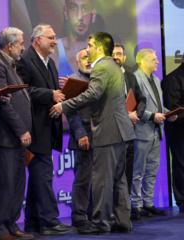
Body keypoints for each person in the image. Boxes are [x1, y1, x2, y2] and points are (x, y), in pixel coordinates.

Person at [51, 32, 136, 235]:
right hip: (120, 130)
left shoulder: (101, 66)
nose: (87, 48)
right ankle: (123, 222)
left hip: (109, 130)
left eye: (90, 45)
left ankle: (100, 224)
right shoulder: (113, 66)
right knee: (118, 180)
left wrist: (64, 105)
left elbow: (93, 94)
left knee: (102, 180)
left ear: (99, 48)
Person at [16, 24, 73, 236]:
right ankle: (49, 221)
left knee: (38, 177)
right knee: (43, 175)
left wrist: (58, 97)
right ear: (38, 40)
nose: (55, 41)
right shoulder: (24, 60)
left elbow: (52, 92)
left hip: (47, 129)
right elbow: (22, 91)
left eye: (55, 37)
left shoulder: (49, 62)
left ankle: (32, 221)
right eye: (51, 37)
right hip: (34, 129)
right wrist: (51, 95)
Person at [0, 27, 33, 240]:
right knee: (5, 185)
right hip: (5, 136)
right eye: (21, 43)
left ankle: (11, 225)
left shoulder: (9, 63)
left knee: (16, 184)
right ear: (10, 45)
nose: (24, 47)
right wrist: (21, 130)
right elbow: (3, 103)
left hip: (16, 139)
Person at [131, 49, 177, 217]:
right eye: (154, 59)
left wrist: (167, 114)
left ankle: (148, 203)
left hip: (156, 132)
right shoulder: (135, 78)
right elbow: (133, 108)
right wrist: (153, 116)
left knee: (152, 169)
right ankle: (135, 204)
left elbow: (157, 106)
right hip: (142, 132)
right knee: (138, 170)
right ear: (143, 61)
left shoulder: (156, 80)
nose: (157, 62)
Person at [112, 43, 147, 220]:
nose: (117, 57)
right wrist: (127, 115)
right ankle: (114, 211)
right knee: (114, 174)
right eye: (114, 54)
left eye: (120, 54)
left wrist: (136, 114)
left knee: (128, 172)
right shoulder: (107, 76)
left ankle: (125, 210)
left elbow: (142, 99)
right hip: (113, 132)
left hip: (131, 132)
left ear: (125, 58)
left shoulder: (131, 77)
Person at [66, 49, 93, 229]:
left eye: (91, 58)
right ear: (77, 62)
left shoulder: (97, 80)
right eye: (84, 58)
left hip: (100, 135)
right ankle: (79, 216)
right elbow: (70, 110)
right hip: (82, 134)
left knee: (97, 180)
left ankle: (94, 213)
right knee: (83, 178)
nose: (88, 61)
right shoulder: (73, 81)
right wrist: (80, 133)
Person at [162, 54, 184, 213]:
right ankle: (182, 200)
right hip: (179, 130)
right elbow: (173, 109)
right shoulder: (173, 79)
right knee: (181, 164)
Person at [53, 0, 97, 77]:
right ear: (66, 13)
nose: (80, 17)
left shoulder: (102, 52)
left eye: (85, 9)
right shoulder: (54, 50)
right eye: (73, 8)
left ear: (93, 16)